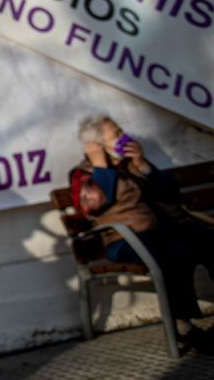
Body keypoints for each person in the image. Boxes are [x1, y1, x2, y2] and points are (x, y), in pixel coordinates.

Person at [72, 115, 214, 350]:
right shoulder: (84, 174)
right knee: (174, 254)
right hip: (126, 239)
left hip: (163, 230)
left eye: (121, 130)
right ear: (96, 144)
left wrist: (143, 165)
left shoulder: (130, 162)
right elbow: (94, 206)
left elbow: (169, 192)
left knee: (207, 241)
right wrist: (101, 167)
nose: (123, 137)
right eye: (115, 135)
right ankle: (182, 327)